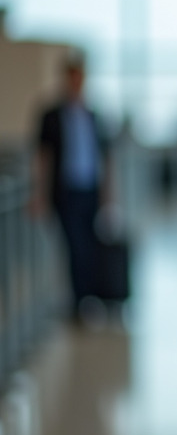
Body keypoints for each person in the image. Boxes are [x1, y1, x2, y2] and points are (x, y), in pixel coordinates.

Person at [34, 56, 110, 321]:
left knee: (88, 247)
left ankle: (88, 299)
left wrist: (108, 195)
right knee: (75, 247)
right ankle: (80, 304)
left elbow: (104, 157)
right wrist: (39, 194)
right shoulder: (51, 115)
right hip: (65, 192)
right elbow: (42, 157)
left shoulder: (93, 115)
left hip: (89, 190)